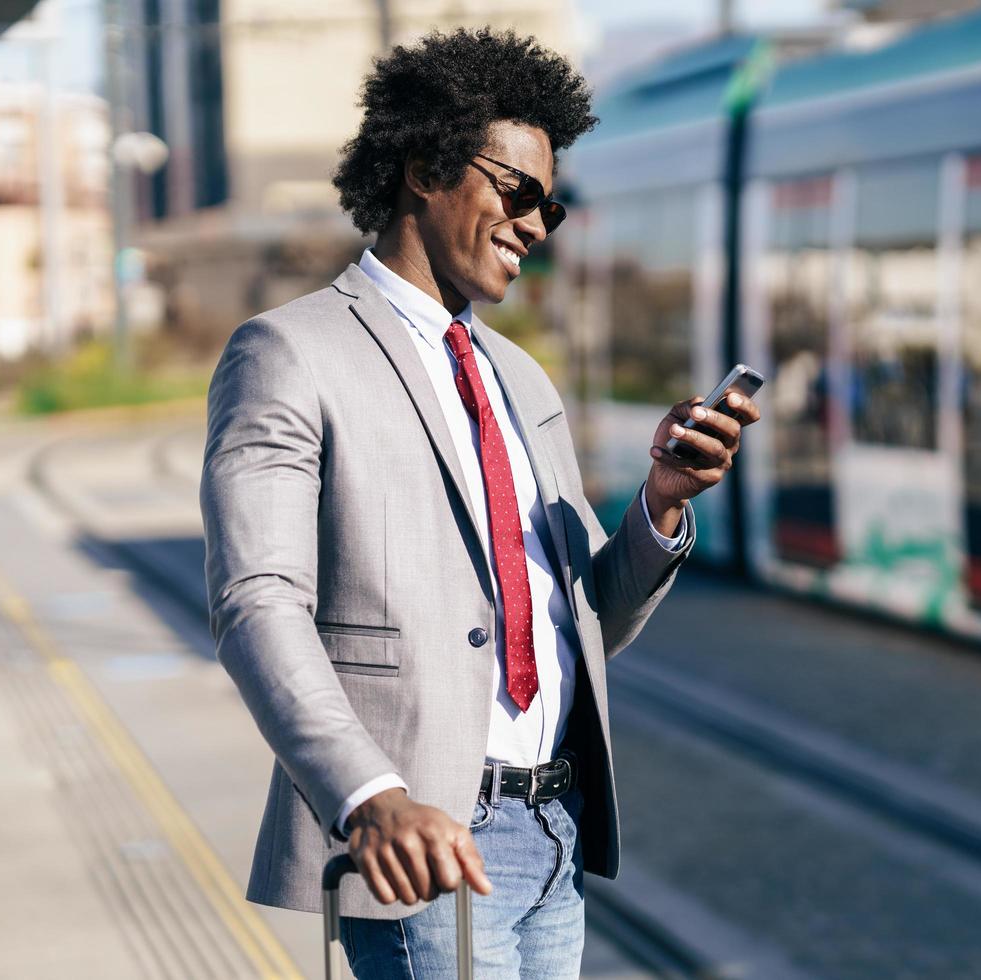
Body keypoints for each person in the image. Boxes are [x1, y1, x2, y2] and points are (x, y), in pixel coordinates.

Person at [199, 27, 759, 978]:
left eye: (555, 207)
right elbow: (257, 601)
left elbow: (584, 619)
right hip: (426, 835)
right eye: (521, 192)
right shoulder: (287, 353)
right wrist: (369, 794)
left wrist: (659, 505)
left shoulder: (520, 378)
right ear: (425, 167)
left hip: (554, 830)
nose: (538, 225)